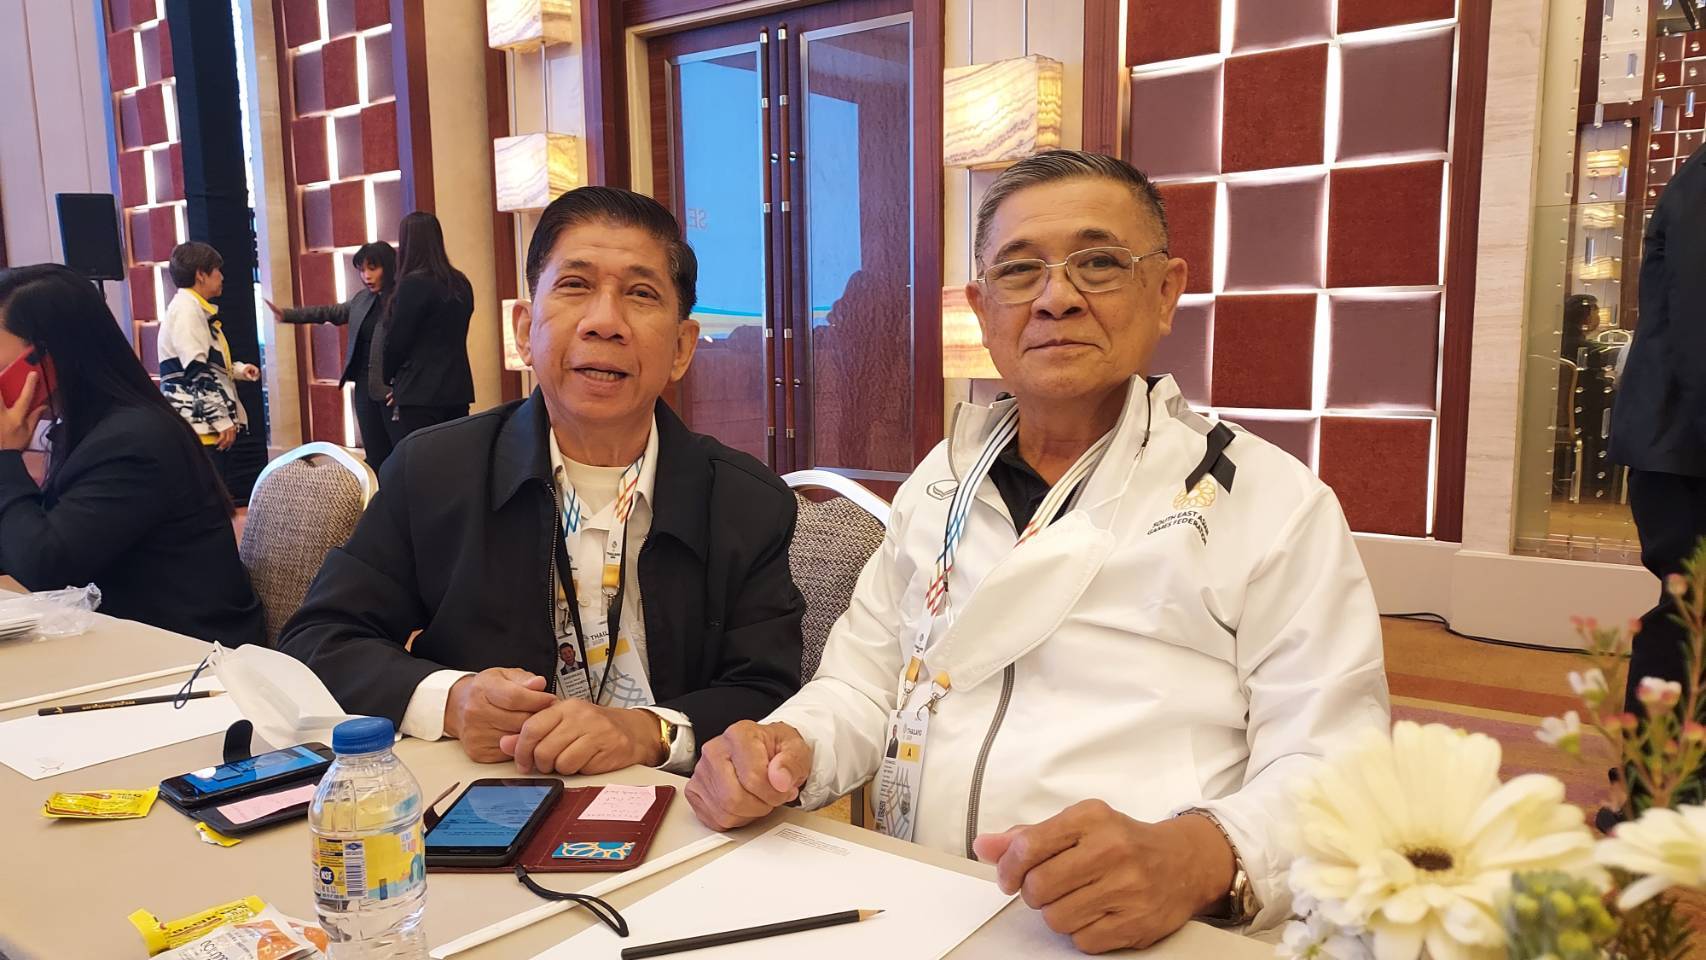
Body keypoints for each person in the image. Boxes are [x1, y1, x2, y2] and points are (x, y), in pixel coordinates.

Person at [684, 151, 1389, 952]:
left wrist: (1201, 855)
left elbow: (1338, 763)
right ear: (983, 310)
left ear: (1165, 292)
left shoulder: (1269, 501)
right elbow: (861, 683)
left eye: (1099, 263)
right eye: (1020, 271)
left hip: (1145, 931)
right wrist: (790, 745)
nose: (1057, 298)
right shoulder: (939, 482)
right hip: (919, 907)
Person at [278, 186, 804, 778]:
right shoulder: (433, 471)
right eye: (575, 285)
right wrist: (452, 701)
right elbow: (319, 640)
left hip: (680, 809)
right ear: (524, 330)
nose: (605, 322)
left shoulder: (745, 501)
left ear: (682, 347)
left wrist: (647, 732)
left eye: (641, 294)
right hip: (482, 797)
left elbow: (770, 692)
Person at [0, 264, 264, 647]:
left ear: (47, 358)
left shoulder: (134, 441)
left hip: (190, 657)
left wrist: (4, 457)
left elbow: (45, 567)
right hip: (130, 641)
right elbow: (21, 542)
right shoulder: (90, 429)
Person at [1609, 143, 1706, 716]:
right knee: (1688, 618)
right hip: (1683, 443)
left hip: (1680, 440)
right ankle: (1655, 772)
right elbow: (1699, 323)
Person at [265, 242, 400, 468]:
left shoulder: (401, 300)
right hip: (364, 387)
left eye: (372, 268)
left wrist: (402, 385)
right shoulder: (362, 299)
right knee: (375, 453)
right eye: (362, 270)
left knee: (399, 451)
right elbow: (329, 312)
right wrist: (288, 315)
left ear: (388, 267)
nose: (366, 276)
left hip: (390, 389)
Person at [158, 242, 261, 469]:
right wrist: (221, 419)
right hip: (200, 427)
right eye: (217, 270)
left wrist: (238, 370)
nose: (222, 277)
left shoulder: (193, 308)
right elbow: (196, 371)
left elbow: (202, 362)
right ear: (201, 275)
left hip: (202, 425)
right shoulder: (187, 310)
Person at [381, 212, 475, 447]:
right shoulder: (460, 283)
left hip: (419, 393)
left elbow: (397, 342)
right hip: (457, 388)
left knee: (421, 461)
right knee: (455, 456)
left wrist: (391, 380)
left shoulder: (412, 284)